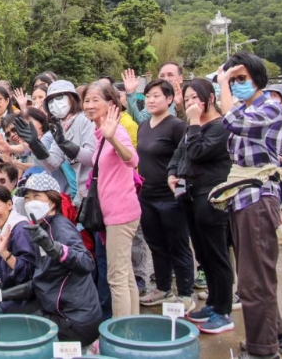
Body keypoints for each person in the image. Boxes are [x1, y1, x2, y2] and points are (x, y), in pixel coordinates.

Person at [213, 52, 282, 359]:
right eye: (232, 79)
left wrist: (222, 85)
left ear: (258, 77)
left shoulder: (270, 106)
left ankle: (262, 350)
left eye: (240, 79)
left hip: (258, 198)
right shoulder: (246, 107)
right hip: (242, 197)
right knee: (256, 275)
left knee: (253, 280)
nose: (235, 85)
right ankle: (277, 334)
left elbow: (232, 122)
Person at [0, 173, 102, 347]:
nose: (30, 202)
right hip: (57, 308)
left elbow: (87, 262)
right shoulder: (40, 228)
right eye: (27, 197)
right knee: (8, 310)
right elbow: (40, 279)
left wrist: (53, 247)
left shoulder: (59, 227)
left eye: (37, 196)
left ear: (52, 200)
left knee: (16, 328)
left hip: (73, 319)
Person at [168, 79, 235, 334]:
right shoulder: (192, 127)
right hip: (191, 195)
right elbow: (180, 153)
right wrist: (171, 173)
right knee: (204, 254)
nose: (191, 103)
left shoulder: (221, 126)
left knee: (217, 255)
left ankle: (224, 311)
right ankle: (214, 303)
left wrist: (194, 122)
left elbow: (196, 152)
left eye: (195, 97)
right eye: (187, 99)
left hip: (212, 196)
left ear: (210, 98)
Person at [83, 81, 141, 318]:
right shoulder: (100, 133)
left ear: (111, 104)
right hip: (110, 215)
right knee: (125, 274)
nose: (89, 105)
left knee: (116, 278)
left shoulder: (115, 131)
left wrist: (113, 138)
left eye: (96, 100)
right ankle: (131, 327)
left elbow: (132, 160)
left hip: (120, 213)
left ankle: (118, 338)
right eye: (86, 100)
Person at [135, 80, 193, 311]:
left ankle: (186, 294)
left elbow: (189, 160)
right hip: (147, 196)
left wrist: (181, 195)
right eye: (148, 95)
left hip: (171, 198)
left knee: (178, 245)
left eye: (156, 96)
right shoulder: (144, 125)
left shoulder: (177, 126)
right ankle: (162, 287)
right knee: (156, 245)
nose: (151, 100)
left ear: (169, 99)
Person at [14, 80, 96, 201]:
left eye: (60, 97)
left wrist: (66, 145)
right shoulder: (61, 127)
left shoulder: (85, 120)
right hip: (84, 194)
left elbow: (92, 159)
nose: (55, 104)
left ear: (72, 97)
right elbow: (52, 164)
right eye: (51, 101)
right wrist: (35, 144)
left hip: (101, 191)